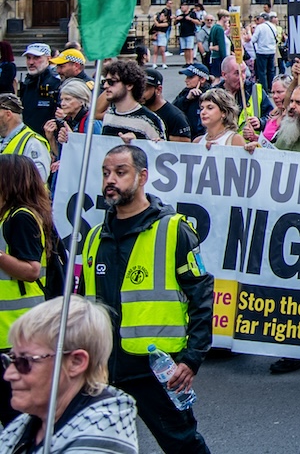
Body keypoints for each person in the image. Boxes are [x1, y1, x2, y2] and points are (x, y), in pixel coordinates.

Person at [80, 144, 212, 453]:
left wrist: (192, 359)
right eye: (105, 173)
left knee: (182, 444)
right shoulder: (95, 236)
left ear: (142, 177)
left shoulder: (173, 229)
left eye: (120, 172)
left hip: (155, 368)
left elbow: (202, 295)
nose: (110, 180)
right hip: (103, 368)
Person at [0, 296, 139, 453]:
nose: (9, 374)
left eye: (24, 361)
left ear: (76, 362)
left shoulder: (100, 436)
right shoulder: (28, 424)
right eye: (10, 359)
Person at [0, 153, 56, 422]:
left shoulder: (21, 217)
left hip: (16, 332)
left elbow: (31, 270)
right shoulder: (7, 216)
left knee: (17, 414)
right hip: (8, 331)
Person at [98, 61, 165, 143]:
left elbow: (161, 153)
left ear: (129, 85)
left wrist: (138, 141)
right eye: (104, 82)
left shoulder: (149, 120)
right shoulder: (109, 114)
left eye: (112, 82)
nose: (105, 86)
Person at [0, 93, 50, 181]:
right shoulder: (3, 139)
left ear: (8, 115)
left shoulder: (33, 142)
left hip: (20, 194)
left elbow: (39, 178)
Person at [18, 45, 61, 137]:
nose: (31, 62)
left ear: (48, 59)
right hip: (28, 135)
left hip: (49, 137)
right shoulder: (27, 81)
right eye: (28, 58)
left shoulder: (56, 82)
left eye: (36, 58)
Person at [141, 70, 192, 141]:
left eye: (145, 89)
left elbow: (184, 144)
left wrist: (163, 141)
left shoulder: (175, 117)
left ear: (158, 90)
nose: (140, 94)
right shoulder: (138, 110)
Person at [248, 13, 279, 90]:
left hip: (262, 51)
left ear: (262, 19)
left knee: (262, 71)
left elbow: (253, 39)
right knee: (271, 70)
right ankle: (271, 87)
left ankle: (264, 89)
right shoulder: (273, 26)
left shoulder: (260, 27)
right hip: (271, 51)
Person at [205, 12, 231, 77]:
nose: (228, 19)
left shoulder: (214, 27)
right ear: (223, 17)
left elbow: (209, 41)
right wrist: (224, 59)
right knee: (218, 78)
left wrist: (211, 48)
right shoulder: (219, 29)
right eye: (227, 17)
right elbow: (221, 45)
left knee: (216, 77)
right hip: (219, 57)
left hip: (214, 56)